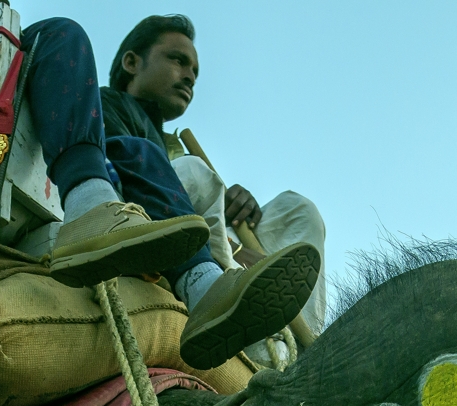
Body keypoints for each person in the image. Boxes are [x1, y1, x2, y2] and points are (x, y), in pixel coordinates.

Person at [0, 0, 315, 369]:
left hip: (2, 171)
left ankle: (199, 282)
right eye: (179, 61)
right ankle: (95, 210)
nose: (189, 75)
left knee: (126, 135)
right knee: (61, 35)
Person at [105, 14, 330, 338]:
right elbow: (130, 188)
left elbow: (203, 201)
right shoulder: (108, 105)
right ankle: (224, 302)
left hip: (217, 239)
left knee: (297, 209)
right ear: (132, 62)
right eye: (178, 61)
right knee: (191, 171)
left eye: (194, 72)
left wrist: (234, 204)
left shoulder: (177, 146)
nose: (189, 78)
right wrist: (235, 251)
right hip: (164, 237)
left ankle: (300, 343)